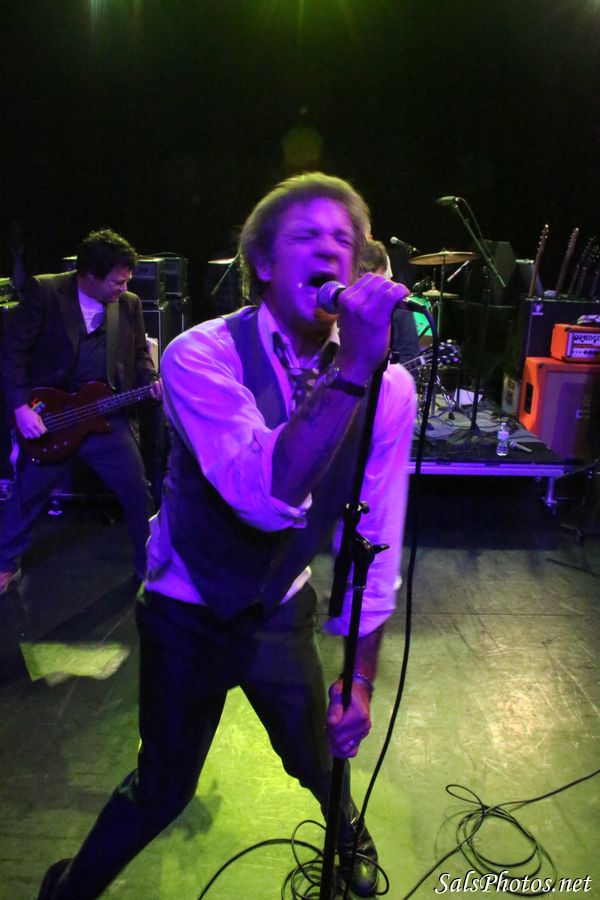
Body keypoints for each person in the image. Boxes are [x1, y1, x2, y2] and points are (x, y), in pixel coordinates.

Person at [37, 173, 416, 899]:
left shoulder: (389, 387)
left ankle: (348, 833)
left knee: (316, 758)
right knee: (162, 787)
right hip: (184, 608)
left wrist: (362, 678)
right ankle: (70, 888)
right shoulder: (198, 355)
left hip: (279, 607)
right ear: (262, 262)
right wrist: (350, 372)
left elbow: (377, 535)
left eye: (343, 238)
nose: (328, 248)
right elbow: (263, 498)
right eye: (306, 235)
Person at [0, 228, 162, 595]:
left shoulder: (129, 304)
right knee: (26, 494)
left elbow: (139, 354)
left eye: (127, 280)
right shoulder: (46, 292)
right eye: (117, 281)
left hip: (104, 414)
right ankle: (6, 563)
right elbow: (13, 352)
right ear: (89, 275)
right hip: (52, 416)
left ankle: (150, 567)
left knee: (138, 494)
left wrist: (151, 379)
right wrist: (21, 408)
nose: (124, 288)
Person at [359, 238, 421, 364]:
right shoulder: (342, 299)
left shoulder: (399, 307)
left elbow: (410, 357)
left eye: (371, 275)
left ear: (383, 271)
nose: (366, 283)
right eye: (360, 276)